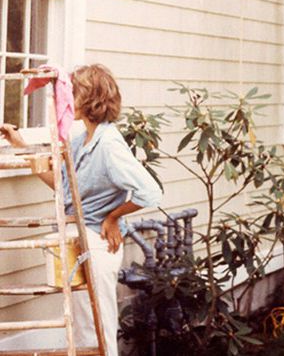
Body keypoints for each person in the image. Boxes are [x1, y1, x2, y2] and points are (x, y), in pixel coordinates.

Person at [0, 63, 163, 356]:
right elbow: (64, 187)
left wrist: (113, 217)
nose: (65, 101)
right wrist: (22, 146)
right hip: (77, 240)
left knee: (98, 325)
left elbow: (150, 192)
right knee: (82, 326)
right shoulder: (80, 140)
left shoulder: (109, 145)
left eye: (70, 94)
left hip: (98, 242)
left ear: (91, 99)